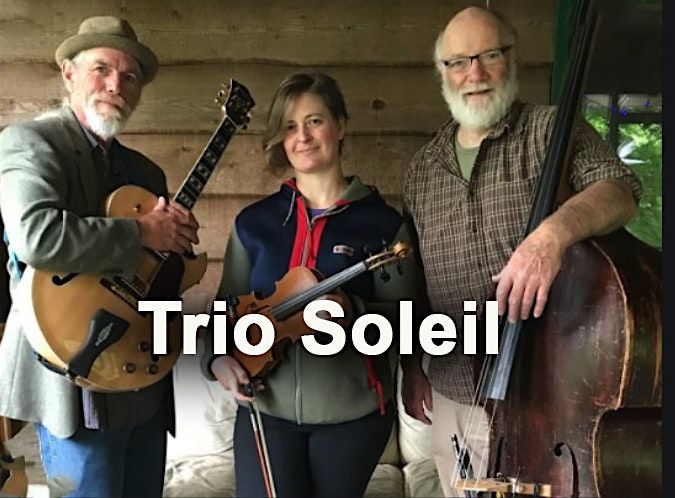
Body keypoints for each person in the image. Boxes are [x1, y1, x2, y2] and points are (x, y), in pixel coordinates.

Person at [400, 7, 641, 497]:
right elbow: (416, 281)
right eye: (458, 62)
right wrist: (410, 369)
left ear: (513, 59)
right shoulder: (422, 170)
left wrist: (550, 237)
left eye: (490, 55)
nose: (475, 74)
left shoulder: (551, 131)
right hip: (456, 393)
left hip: (547, 395)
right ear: (442, 73)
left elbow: (619, 189)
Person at [0, 16, 199, 498]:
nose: (116, 85)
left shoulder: (146, 172)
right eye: (102, 69)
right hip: (70, 371)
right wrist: (141, 231)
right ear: (69, 73)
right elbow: (36, 236)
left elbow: (155, 269)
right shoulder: (30, 142)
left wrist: (176, 246)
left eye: (129, 77)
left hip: (142, 373)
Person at [201, 72, 424, 497]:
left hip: (352, 418)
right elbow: (223, 309)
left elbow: (408, 323)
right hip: (266, 409)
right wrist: (216, 359)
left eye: (314, 121)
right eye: (289, 126)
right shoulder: (254, 224)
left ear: (340, 126)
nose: (302, 136)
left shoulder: (383, 226)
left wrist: (353, 314)